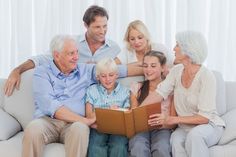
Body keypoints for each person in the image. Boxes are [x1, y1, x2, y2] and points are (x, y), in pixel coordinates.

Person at [22, 35, 131, 157]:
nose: (76, 57)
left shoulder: (84, 70)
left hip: (73, 125)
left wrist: (148, 69)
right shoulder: (42, 72)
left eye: (77, 52)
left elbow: (116, 70)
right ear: (57, 55)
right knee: (33, 129)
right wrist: (86, 120)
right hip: (48, 122)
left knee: (81, 129)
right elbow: (50, 104)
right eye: (71, 53)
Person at [4, 5, 120, 96]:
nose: (102, 31)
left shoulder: (114, 48)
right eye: (97, 27)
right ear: (86, 25)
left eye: (105, 26)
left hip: (97, 98)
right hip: (72, 96)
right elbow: (40, 59)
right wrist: (17, 70)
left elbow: (120, 70)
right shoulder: (71, 44)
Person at [141, 31, 225, 157]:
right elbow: (159, 93)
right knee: (175, 140)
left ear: (188, 50)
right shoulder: (176, 71)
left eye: (177, 45)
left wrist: (172, 119)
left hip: (208, 126)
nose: (174, 49)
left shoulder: (207, 76)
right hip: (184, 127)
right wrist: (137, 110)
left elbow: (204, 118)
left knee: (195, 136)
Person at [129, 50, 175, 157]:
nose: (148, 70)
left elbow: (173, 122)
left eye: (153, 66)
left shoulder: (171, 90)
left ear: (163, 67)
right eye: (145, 66)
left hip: (162, 129)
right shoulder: (137, 88)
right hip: (141, 128)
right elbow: (133, 114)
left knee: (161, 148)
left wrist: (164, 120)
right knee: (138, 147)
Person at [85, 58, 134, 157]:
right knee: (96, 146)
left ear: (117, 75)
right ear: (98, 77)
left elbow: (128, 114)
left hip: (118, 129)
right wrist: (107, 111)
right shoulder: (92, 90)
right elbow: (89, 116)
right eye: (103, 76)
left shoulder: (125, 92)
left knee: (119, 146)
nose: (108, 79)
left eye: (111, 75)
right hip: (97, 127)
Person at [115, 20, 173, 87]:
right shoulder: (127, 51)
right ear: (128, 40)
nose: (136, 42)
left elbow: (176, 63)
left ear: (146, 36)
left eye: (140, 37)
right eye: (132, 39)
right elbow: (110, 68)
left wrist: (134, 69)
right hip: (135, 92)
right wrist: (140, 63)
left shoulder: (159, 48)